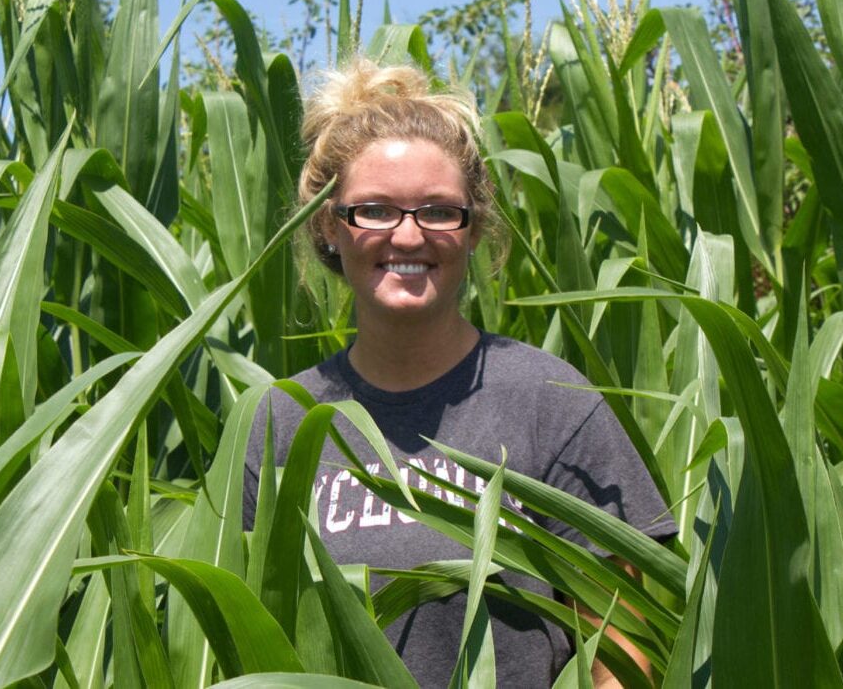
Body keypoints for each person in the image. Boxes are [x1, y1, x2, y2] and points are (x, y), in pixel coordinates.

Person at [243, 59, 676, 687]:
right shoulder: (282, 422)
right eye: (375, 210)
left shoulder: (550, 404)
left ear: (473, 231)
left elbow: (626, 647)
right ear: (328, 227)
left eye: (439, 211)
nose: (409, 236)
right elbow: (256, 641)